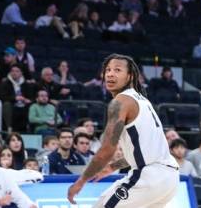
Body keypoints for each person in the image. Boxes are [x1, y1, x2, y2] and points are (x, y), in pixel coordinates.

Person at [67, 54, 179, 207]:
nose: (110, 74)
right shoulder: (143, 101)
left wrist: (81, 181)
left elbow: (107, 148)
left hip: (149, 177)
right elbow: (143, 152)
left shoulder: (121, 101)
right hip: (169, 178)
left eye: (117, 70)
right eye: (108, 70)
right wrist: (112, 166)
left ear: (130, 76)